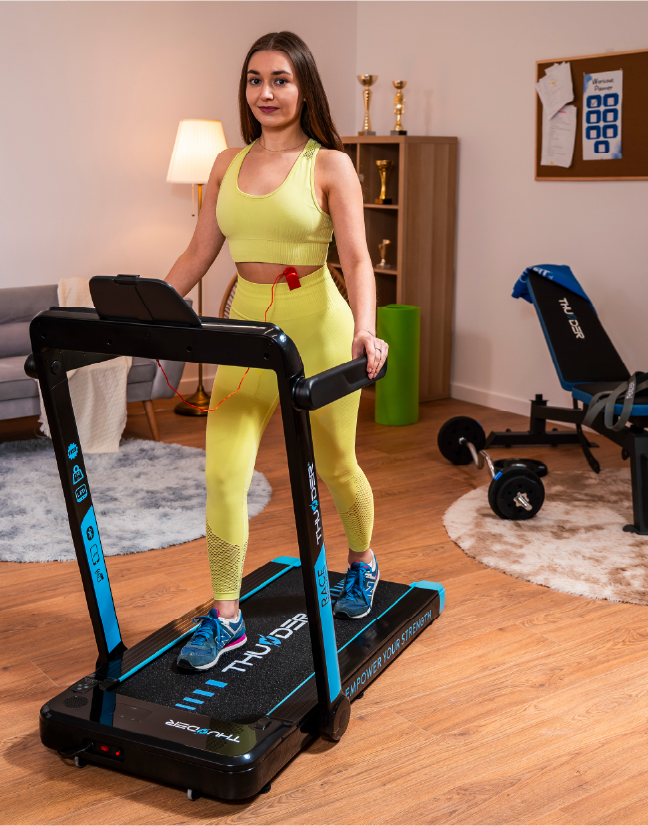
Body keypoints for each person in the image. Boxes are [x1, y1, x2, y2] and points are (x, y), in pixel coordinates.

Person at [163, 31, 389, 671]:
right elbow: (197, 253)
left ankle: (363, 561)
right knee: (224, 473)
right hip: (244, 334)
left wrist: (365, 330)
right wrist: (144, 310)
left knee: (335, 464)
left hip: (316, 325)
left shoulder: (329, 165)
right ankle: (226, 616)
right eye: (255, 80)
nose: (266, 92)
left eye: (280, 80)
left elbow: (355, 258)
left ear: (303, 88)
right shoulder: (226, 164)